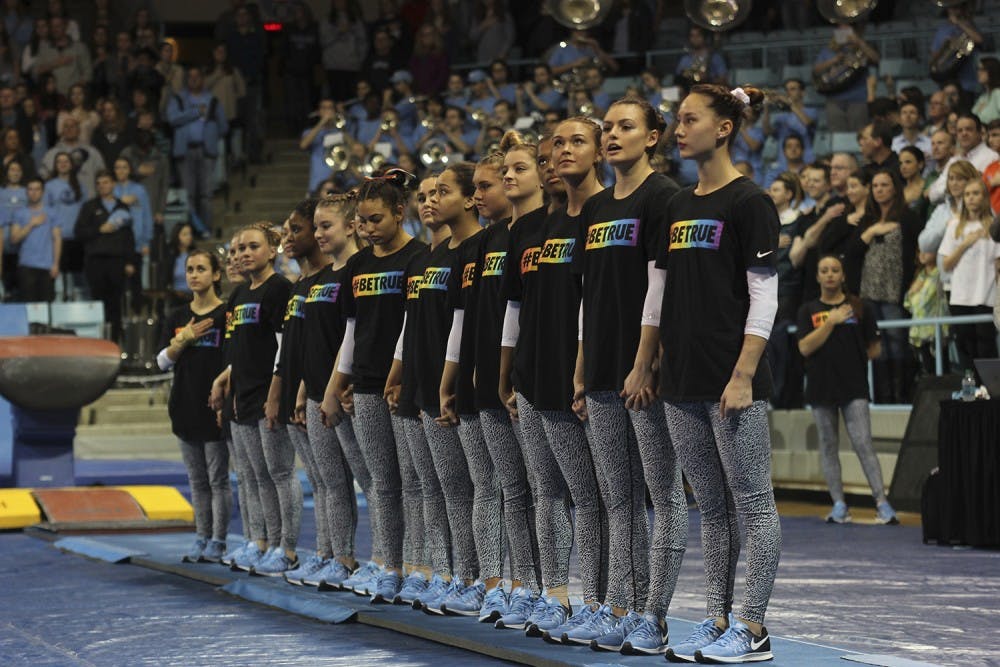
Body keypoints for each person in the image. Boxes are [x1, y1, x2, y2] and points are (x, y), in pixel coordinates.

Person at [655, 84, 781, 664]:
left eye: (690, 119)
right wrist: (651, 363)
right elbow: (661, 298)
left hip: (733, 381)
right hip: (681, 380)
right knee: (711, 505)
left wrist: (744, 373)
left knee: (753, 504)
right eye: (677, 120)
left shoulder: (749, 201)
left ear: (724, 127)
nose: (678, 130)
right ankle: (718, 617)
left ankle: (753, 628)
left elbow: (765, 296)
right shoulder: (678, 206)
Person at [561, 96, 688, 653]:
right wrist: (583, 367)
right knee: (617, 497)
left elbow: (661, 287)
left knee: (663, 494)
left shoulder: (664, 199)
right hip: (606, 367)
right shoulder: (593, 209)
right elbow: (590, 296)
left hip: (646, 372)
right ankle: (619, 606)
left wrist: (645, 361)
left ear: (653, 136)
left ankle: (653, 616)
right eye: (607, 128)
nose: (612, 136)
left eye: (626, 127)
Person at [437, 150, 537, 622]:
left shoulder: (528, 233)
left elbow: (518, 313)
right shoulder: (479, 245)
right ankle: (495, 583)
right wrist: (452, 375)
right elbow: (463, 318)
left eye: (485, 186)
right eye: (473, 187)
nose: (478, 195)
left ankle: (531, 585)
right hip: (483, 380)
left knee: (530, 487)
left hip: (519, 379)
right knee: (493, 486)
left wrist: (503, 373)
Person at [322, 170, 426, 601]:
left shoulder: (419, 257)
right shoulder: (358, 265)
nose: (366, 230)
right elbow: (351, 329)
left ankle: (422, 565)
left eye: (376, 220)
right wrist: (335, 386)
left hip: (403, 384)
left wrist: (398, 375)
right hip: (365, 385)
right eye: (361, 222)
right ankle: (387, 563)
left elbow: (414, 323)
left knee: (415, 481)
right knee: (382, 483)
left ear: (400, 212)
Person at [293, 194, 373, 589]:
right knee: (330, 481)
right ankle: (337, 556)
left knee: (374, 481)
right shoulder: (323, 279)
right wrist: (305, 391)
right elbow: (314, 341)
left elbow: (353, 336)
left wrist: (337, 385)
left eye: (327, 226)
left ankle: (385, 561)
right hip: (320, 391)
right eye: (318, 227)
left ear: (351, 227)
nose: (320, 233)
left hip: (345, 392)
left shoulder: (356, 271)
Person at [383, 174, 455, 606]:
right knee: (428, 483)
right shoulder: (420, 261)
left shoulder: (460, 253)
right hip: (418, 375)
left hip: (448, 376)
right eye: (423, 196)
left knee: (459, 486)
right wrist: (398, 370)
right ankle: (433, 568)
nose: (428, 202)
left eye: (439, 194)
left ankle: (470, 575)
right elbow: (411, 322)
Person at [216, 222, 298, 574]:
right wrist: (227, 381)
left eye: (252, 247)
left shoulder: (279, 289)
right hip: (242, 394)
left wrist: (275, 394)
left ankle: (287, 547)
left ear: (272, 250)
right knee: (250, 475)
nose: (244, 254)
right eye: (239, 249)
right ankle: (259, 541)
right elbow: (238, 350)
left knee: (278, 472)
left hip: (269, 392)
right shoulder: (238, 295)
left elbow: (284, 346)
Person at [797, 254, 899, 525]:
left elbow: (874, 349)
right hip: (821, 388)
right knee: (828, 446)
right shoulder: (808, 310)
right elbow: (804, 347)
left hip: (854, 387)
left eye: (835, 270)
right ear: (818, 277)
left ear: (843, 275)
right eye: (824, 270)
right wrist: (831, 322)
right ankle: (839, 503)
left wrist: (849, 359)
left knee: (863, 443)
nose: (830, 274)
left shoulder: (860, 307)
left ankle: (882, 503)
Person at [156, 249, 231, 562]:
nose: (194, 274)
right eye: (189, 269)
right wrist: (182, 339)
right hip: (184, 405)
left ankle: (218, 540)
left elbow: (233, 358)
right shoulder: (176, 316)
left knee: (217, 480)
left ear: (216, 274)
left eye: (201, 268)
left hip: (213, 406)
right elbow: (160, 362)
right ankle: (201, 535)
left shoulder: (226, 313)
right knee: (197, 481)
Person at [848, 169, 920, 404]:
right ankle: (883, 396)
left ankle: (902, 396)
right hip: (868, 292)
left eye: (884, 185)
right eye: (876, 185)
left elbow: (915, 254)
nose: (879, 190)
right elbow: (852, 254)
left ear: (895, 189)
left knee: (897, 343)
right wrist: (870, 232)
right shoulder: (867, 220)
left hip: (894, 292)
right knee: (878, 346)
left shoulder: (907, 217)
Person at [938, 178, 1000, 373]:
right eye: (967, 194)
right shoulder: (955, 226)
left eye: (975, 193)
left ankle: (992, 396)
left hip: (986, 296)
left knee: (986, 349)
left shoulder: (994, 226)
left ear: (984, 197)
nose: (971, 198)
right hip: (960, 297)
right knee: (965, 349)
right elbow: (946, 264)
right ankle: (970, 395)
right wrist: (966, 243)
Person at [167, 67, 228, 238]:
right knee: (189, 195)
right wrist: (195, 112)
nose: (194, 79)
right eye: (190, 76)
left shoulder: (212, 100)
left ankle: (206, 229)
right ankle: (193, 230)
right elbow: (172, 118)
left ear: (203, 79)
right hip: (185, 152)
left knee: (206, 194)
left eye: (197, 76)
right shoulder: (178, 99)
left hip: (206, 151)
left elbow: (223, 126)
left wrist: (211, 133)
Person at [74, 169, 134, 341]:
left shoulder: (122, 207)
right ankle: (99, 341)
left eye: (106, 182)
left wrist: (130, 261)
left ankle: (115, 342)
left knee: (116, 304)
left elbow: (129, 237)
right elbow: (79, 232)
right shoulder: (89, 207)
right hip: (95, 262)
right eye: (99, 183)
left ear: (113, 184)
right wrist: (99, 230)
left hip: (117, 261)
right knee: (98, 304)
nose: (102, 186)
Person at [10, 176, 59, 301]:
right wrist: (31, 224)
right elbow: (14, 238)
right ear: (26, 192)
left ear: (42, 192)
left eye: (37, 189)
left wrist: (56, 264)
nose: (34, 192)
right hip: (27, 266)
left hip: (47, 267)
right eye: (30, 189)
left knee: (46, 308)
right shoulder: (19, 213)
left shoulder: (51, 212)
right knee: (29, 308)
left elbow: (57, 239)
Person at [44, 151, 84, 298]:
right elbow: (45, 212)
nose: (63, 164)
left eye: (66, 161)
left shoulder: (80, 185)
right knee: (58, 279)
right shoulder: (49, 186)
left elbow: (84, 212)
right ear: (55, 165)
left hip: (76, 238)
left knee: (77, 281)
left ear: (71, 165)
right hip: (56, 239)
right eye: (59, 161)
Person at [904, 250, 949, 377]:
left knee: (941, 370)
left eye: (927, 251)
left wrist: (915, 292)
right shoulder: (920, 275)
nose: (922, 255)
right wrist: (912, 291)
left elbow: (927, 300)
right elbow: (908, 303)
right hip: (919, 330)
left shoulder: (940, 274)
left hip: (936, 330)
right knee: (927, 370)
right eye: (919, 251)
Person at [973, 57, 1000, 126]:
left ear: (992, 71)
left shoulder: (997, 93)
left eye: (982, 69)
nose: (979, 73)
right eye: (978, 69)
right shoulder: (983, 97)